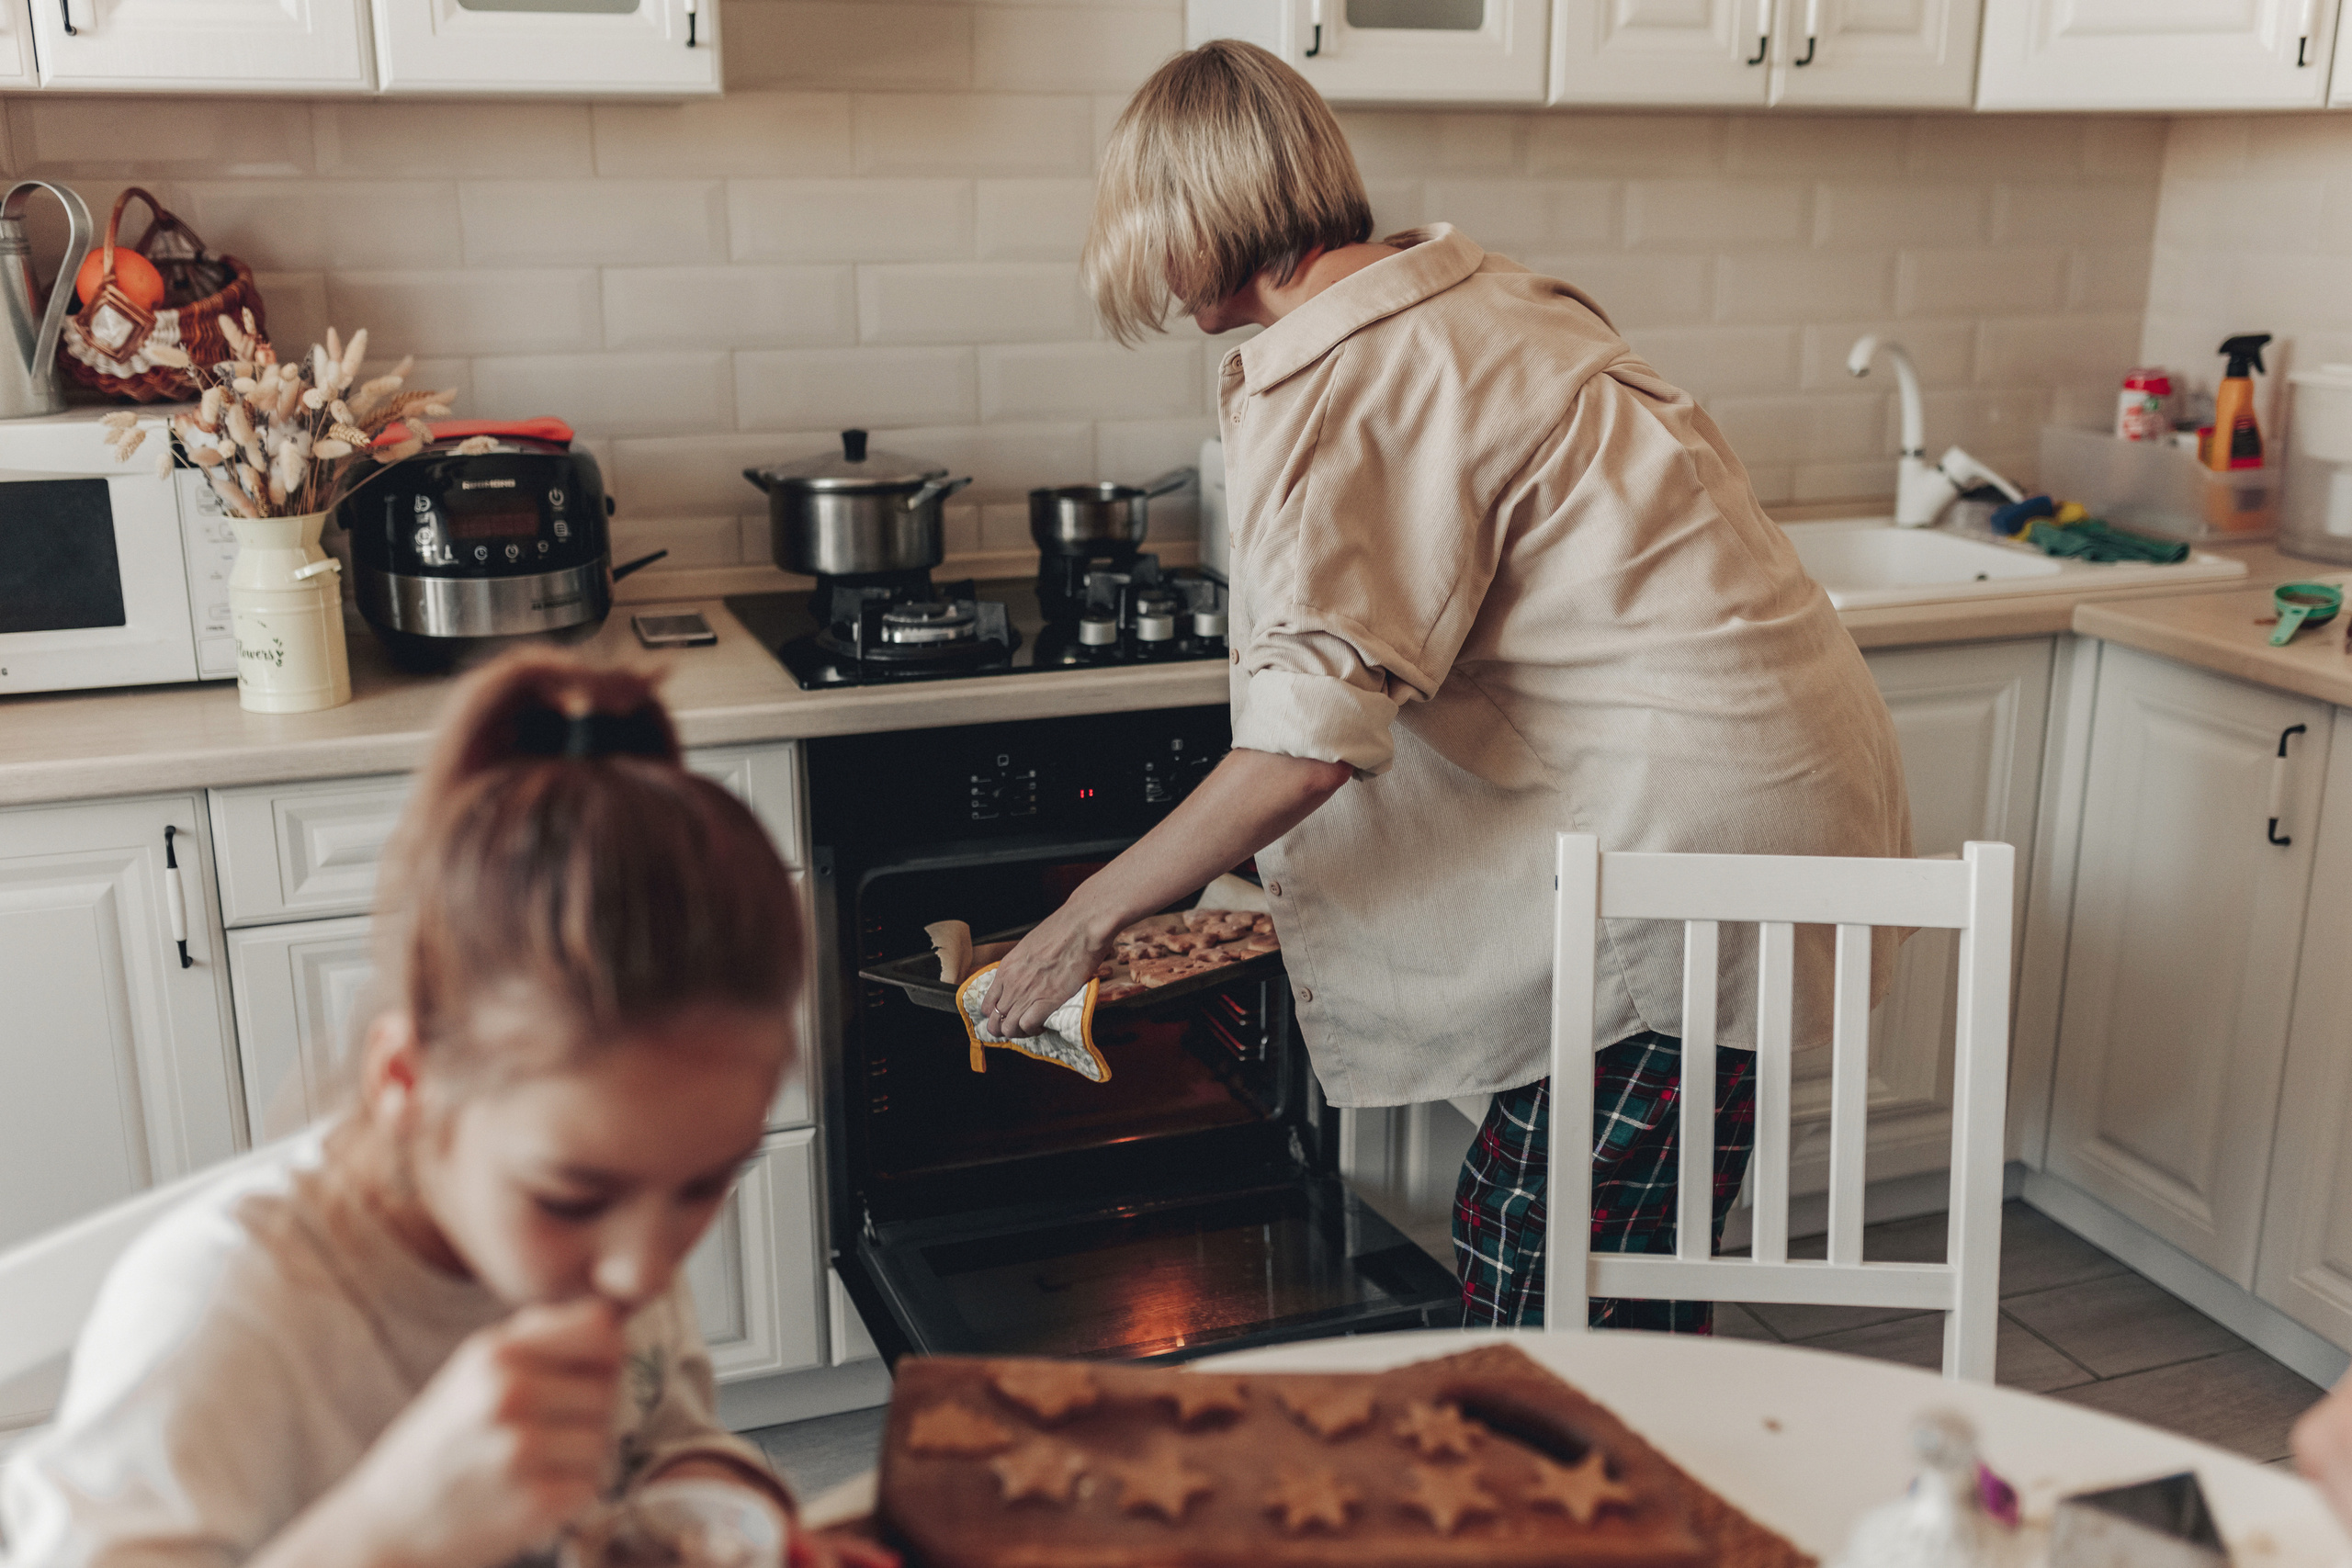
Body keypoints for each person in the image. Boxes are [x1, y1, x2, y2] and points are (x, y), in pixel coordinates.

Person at [984, 39, 1912, 1333]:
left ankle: (1553, 1503)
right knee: (1621, 1250)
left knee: (1538, 1263)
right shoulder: (1480, 303)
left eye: (1150, 226)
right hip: (1764, 813)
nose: (1146, 264)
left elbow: (1309, 740)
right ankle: (1627, 1485)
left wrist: (1087, 915)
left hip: (1687, 852)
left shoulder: (1358, 367)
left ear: (1211, 210)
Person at [0, 654, 891, 1568]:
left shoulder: (619, 1217)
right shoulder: (231, 1315)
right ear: (406, 1082)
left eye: (704, 1187)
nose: (642, 1270)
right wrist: (391, 1529)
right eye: (569, 1199)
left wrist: (735, 1517)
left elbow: (662, 1439)